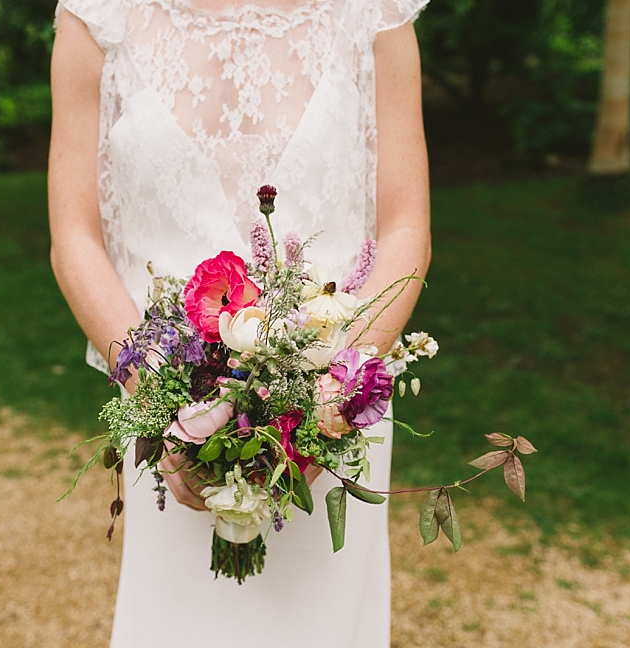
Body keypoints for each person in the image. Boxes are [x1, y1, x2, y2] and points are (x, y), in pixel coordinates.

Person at [47, 1, 431, 646]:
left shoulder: (375, 10)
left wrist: (332, 395)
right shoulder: (97, 12)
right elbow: (75, 236)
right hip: (164, 403)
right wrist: (164, 402)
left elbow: (405, 227)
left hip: (332, 400)